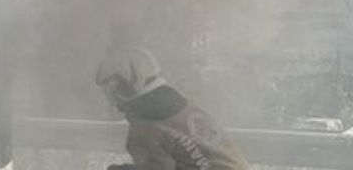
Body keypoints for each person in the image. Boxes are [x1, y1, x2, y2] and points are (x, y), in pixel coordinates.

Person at [95, 47, 249, 170]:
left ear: (123, 86)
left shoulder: (145, 128)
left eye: (109, 90)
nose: (109, 98)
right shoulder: (186, 109)